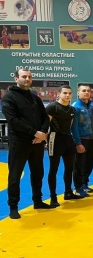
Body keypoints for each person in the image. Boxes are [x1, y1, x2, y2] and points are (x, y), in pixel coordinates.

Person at [3, 69, 52, 219]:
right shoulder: (9, 97)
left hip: (37, 142)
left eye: (29, 77)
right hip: (19, 142)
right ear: (16, 78)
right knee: (15, 175)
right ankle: (13, 207)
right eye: (24, 76)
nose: (27, 79)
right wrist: (35, 132)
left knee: (38, 173)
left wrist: (42, 132)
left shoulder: (35, 98)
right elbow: (13, 121)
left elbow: (45, 117)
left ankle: (38, 201)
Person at [46, 85, 83, 206]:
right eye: (65, 93)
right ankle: (53, 198)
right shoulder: (52, 107)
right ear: (59, 94)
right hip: (55, 139)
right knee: (54, 169)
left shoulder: (72, 109)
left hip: (67, 139)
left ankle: (68, 192)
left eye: (69, 93)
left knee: (69, 168)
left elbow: (71, 126)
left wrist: (76, 141)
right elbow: (45, 125)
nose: (67, 95)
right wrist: (45, 140)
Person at [72, 84, 93, 197]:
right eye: (83, 91)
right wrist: (78, 143)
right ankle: (78, 188)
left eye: (88, 91)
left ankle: (85, 184)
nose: (86, 92)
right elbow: (74, 127)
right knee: (79, 165)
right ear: (78, 93)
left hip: (90, 139)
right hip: (81, 139)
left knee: (89, 164)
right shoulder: (75, 107)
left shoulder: (92, 107)